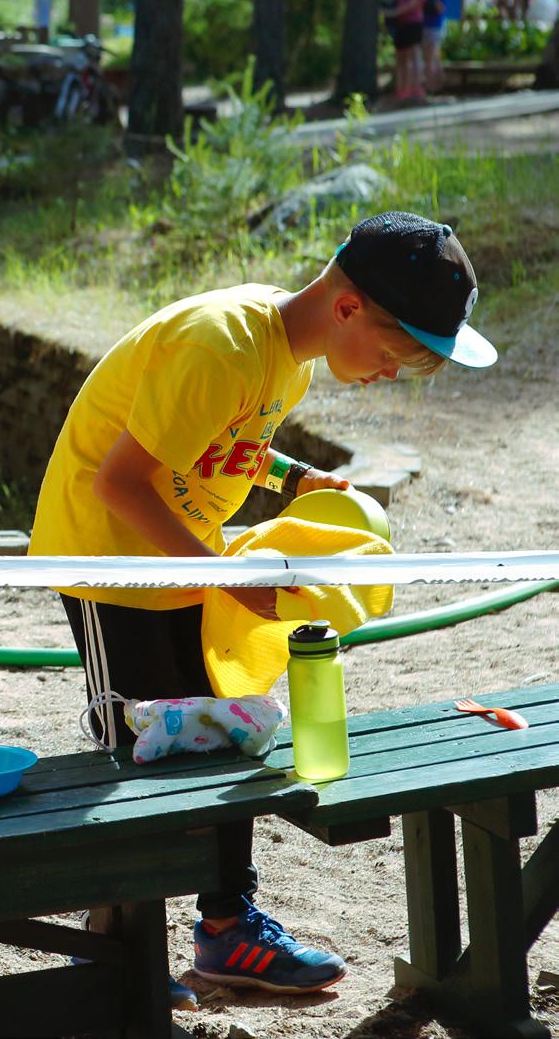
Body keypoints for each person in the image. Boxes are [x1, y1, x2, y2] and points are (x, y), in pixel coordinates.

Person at [29, 211, 496, 1005]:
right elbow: (120, 480)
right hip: (110, 561)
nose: (387, 376)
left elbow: (225, 439)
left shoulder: (290, 356)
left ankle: (226, 925)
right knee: (136, 752)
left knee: (225, 729)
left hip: (185, 561)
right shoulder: (223, 342)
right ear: (348, 307)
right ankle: (109, 957)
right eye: (391, 358)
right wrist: (218, 577)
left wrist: (292, 478)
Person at [384, 0, 429, 100]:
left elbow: (411, 5)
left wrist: (391, 13)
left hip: (414, 25)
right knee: (400, 58)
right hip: (401, 25)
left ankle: (412, 88)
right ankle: (401, 88)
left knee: (411, 57)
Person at [422, 0, 451, 93]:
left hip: (435, 27)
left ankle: (431, 87)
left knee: (430, 59)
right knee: (434, 58)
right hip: (426, 25)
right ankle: (438, 84)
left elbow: (440, 9)